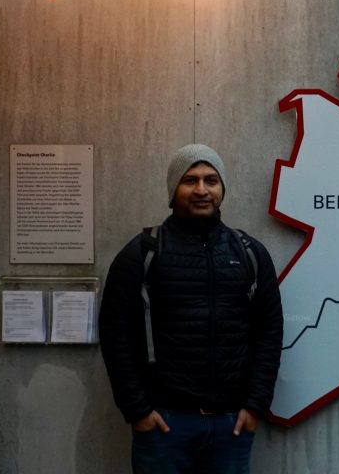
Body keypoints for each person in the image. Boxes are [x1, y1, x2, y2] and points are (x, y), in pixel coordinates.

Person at [100, 144, 283, 474]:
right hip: (164, 425)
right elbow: (116, 336)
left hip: (232, 425)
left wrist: (256, 405)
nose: (202, 190)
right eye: (190, 180)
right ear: (173, 189)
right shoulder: (142, 254)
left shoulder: (250, 253)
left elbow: (269, 333)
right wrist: (137, 410)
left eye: (211, 180)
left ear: (222, 188)